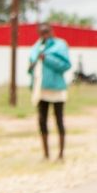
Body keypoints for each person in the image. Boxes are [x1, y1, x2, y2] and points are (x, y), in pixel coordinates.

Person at [28, 22, 71, 159]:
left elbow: (65, 65)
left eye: (46, 31)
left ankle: (61, 154)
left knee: (59, 120)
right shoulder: (37, 46)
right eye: (42, 32)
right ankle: (46, 154)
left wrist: (47, 59)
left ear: (51, 31)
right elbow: (32, 66)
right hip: (41, 88)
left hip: (56, 88)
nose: (44, 34)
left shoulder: (60, 45)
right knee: (42, 120)